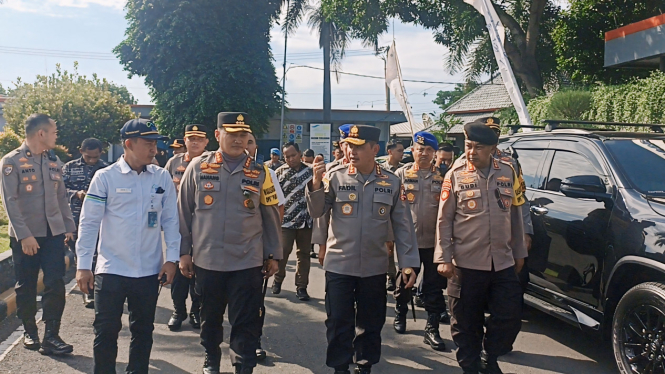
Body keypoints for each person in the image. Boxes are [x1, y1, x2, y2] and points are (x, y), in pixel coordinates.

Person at [306, 125, 420, 374]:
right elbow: (316, 212)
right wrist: (315, 184)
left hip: (374, 266)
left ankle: (365, 364)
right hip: (340, 263)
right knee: (338, 320)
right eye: (348, 145)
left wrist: (408, 263)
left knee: (371, 322)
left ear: (374, 149)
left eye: (358, 147)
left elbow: (403, 226)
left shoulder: (391, 181)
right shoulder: (334, 176)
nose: (351, 151)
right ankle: (339, 366)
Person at [178, 112, 282, 374]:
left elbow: (270, 216)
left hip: (247, 260)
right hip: (208, 259)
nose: (238, 140)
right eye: (232, 134)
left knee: (245, 320)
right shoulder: (198, 168)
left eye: (243, 135)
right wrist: (183, 253)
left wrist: (273, 254)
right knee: (210, 317)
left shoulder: (260, 172)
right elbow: (183, 212)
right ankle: (211, 357)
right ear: (217, 135)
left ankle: (242, 365)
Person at [75, 119, 180, 373]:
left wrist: (172, 259)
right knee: (106, 331)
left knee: (143, 331)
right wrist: (83, 266)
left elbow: (171, 220)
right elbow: (89, 223)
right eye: (147, 143)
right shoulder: (105, 177)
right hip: (111, 269)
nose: (154, 148)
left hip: (148, 270)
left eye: (155, 143)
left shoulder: (162, 176)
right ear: (129, 144)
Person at [435, 122, 527, 374]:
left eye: (478, 147)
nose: (472, 152)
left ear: (493, 149)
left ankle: (490, 353)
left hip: (502, 261)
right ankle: (470, 367)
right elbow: (444, 220)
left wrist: (519, 251)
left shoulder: (507, 173)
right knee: (465, 323)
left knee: (509, 317)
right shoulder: (455, 174)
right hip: (465, 263)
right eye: (468, 146)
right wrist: (444, 257)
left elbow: (516, 215)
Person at [0, 113, 76, 355]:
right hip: (26, 236)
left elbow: (61, 197)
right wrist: (24, 235)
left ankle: (52, 335)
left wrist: (69, 226)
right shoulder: (12, 162)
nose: (56, 136)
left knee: (55, 283)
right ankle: (30, 331)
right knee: (26, 285)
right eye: (54, 132)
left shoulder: (53, 161)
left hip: (53, 233)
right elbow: (9, 202)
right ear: (41, 133)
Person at [392, 131, 449, 350]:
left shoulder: (443, 176)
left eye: (428, 150)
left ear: (434, 153)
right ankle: (401, 313)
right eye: (419, 149)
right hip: (409, 242)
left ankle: (432, 329)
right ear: (412, 150)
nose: (423, 153)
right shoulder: (401, 175)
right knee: (404, 283)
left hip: (434, 243)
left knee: (434, 289)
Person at [163, 124, 209, 331]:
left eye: (200, 138)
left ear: (207, 141)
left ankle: (196, 311)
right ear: (185, 140)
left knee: (201, 273)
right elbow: (161, 188)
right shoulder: (174, 162)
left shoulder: (212, 163)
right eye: (191, 138)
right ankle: (178, 310)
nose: (195, 142)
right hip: (177, 225)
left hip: (203, 226)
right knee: (179, 273)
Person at [246, 132, 286, 361]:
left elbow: (277, 209)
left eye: (249, 141)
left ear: (255, 147)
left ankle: (254, 341)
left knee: (255, 301)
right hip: (223, 252)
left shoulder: (266, 173)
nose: (244, 145)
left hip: (255, 250)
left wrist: (272, 247)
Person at [63, 137, 108, 308]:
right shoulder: (69, 167)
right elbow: (60, 190)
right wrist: (77, 194)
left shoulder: (105, 169)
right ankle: (87, 287)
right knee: (79, 254)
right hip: (74, 219)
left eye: (95, 157)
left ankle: (92, 292)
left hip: (98, 220)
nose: (91, 160)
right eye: (88, 157)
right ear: (81, 151)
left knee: (96, 256)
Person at [272, 142, 313, 301]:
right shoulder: (280, 172)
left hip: (305, 222)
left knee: (304, 255)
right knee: (282, 253)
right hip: (285, 222)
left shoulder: (310, 172)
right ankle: (277, 280)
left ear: (300, 153)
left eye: (293, 155)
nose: (290, 159)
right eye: (287, 156)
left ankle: (301, 287)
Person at [382, 140, 404, 291]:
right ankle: (391, 276)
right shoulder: (381, 169)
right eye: (400, 151)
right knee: (388, 248)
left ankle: (404, 276)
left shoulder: (404, 170)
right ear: (390, 151)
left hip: (401, 213)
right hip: (385, 215)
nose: (403, 154)